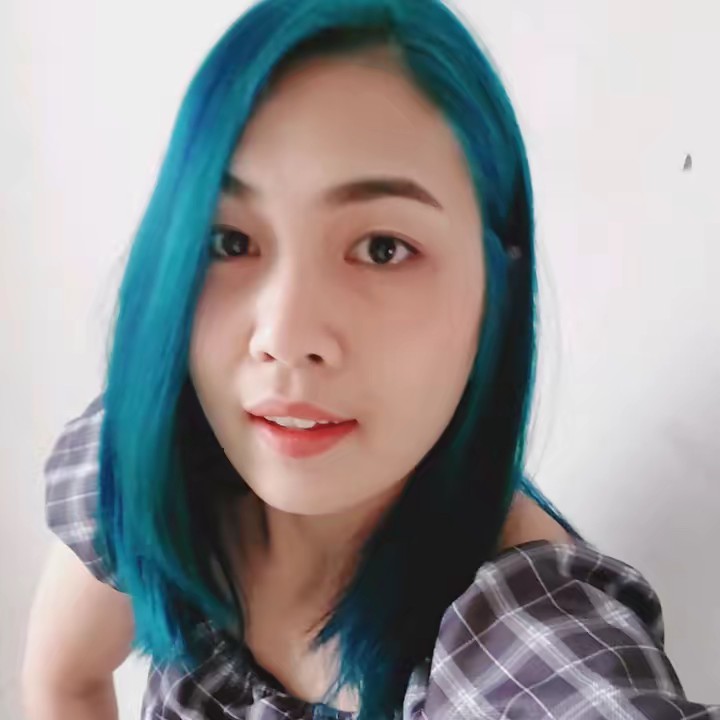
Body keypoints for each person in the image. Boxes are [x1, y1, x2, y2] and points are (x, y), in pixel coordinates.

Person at [22, 1, 720, 718]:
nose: (286, 336)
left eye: (383, 248)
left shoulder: (525, 644)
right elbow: (64, 679)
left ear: (497, 286)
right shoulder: (156, 461)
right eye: (230, 241)